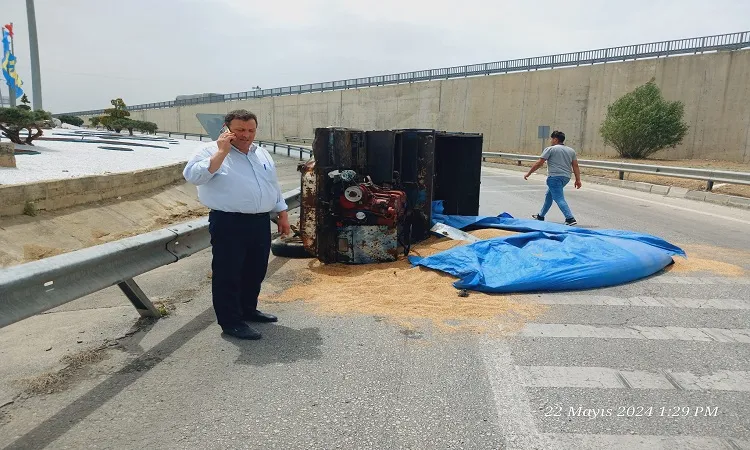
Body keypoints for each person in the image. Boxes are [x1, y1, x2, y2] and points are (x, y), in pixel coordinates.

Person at [183, 109, 291, 340]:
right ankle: (231, 322)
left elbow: (272, 184)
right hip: (229, 222)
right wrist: (221, 153)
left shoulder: (261, 153)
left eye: (251, 130)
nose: (246, 135)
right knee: (228, 273)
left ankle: (248, 310)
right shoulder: (209, 150)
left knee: (255, 269)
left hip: (260, 221)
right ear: (227, 129)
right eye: (240, 130)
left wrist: (281, 211)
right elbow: (193, 177)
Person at [523, 130, 582, 225]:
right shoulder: (571, 150)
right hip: (566, 178)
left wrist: (528, 173)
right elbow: (575, 166)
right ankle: (540, 216)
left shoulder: (550, 149)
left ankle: (570, 218)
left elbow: (539, 163)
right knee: (549, 196)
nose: (550, 141)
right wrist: (578, 180)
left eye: (551, 139)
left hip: (554, 177)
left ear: (555, 139)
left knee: (559, 198)